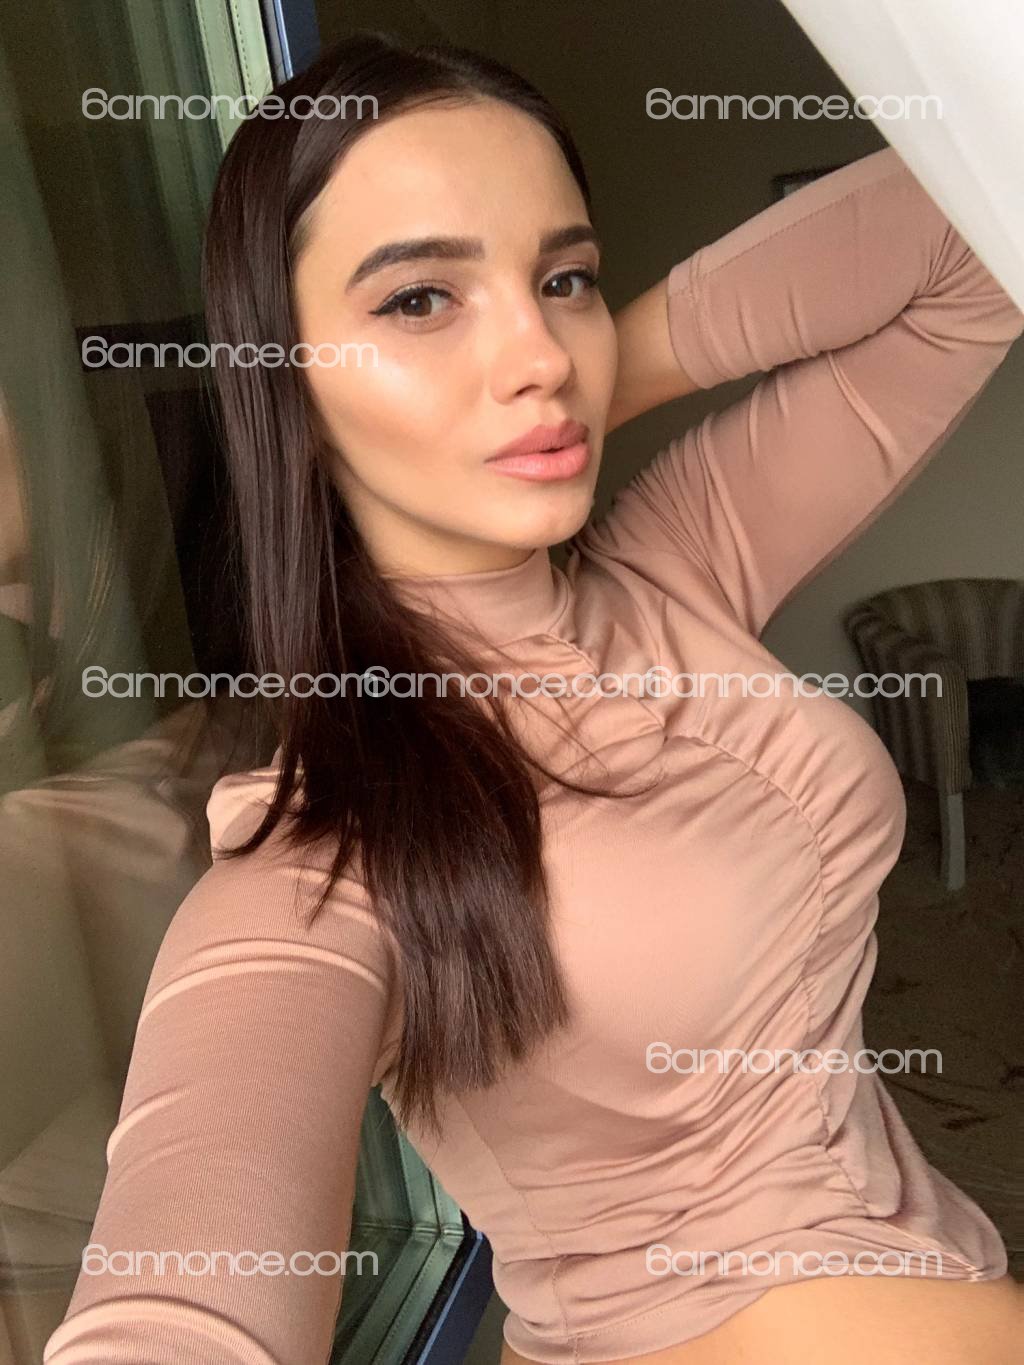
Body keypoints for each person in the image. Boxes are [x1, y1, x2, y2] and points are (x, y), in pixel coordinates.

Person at [43, 30, 1024, 1365]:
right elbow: (183, 1295)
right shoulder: (328, 846)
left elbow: (976, 240)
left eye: (563, 278)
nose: (539, 352)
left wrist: (585, 387)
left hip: (946, 1253)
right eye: (418, 300)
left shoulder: (676, 563)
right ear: (287, 383)